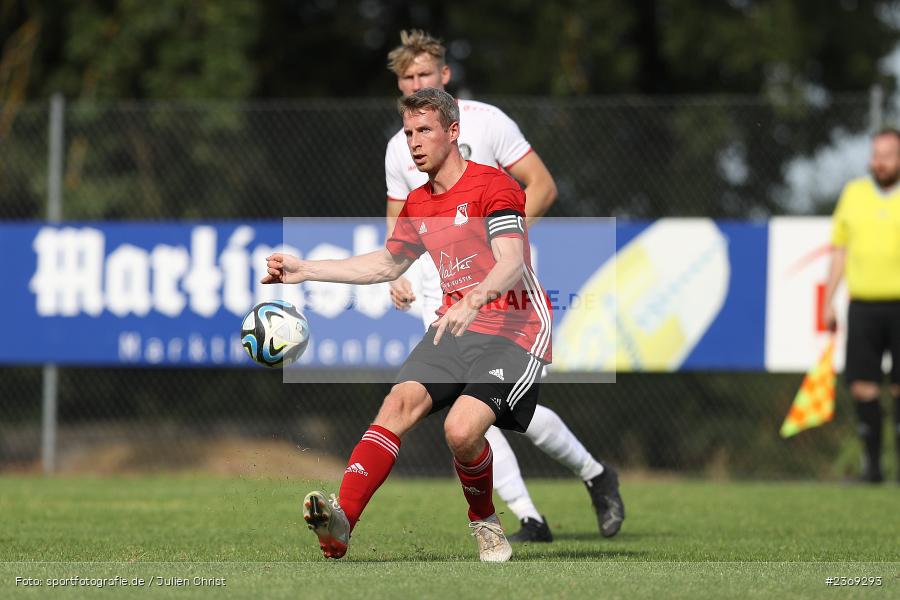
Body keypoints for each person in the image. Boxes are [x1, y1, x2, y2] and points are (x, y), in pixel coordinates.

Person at [264, 88, 554, 561]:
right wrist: (306, 269)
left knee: (461, 431)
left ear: (453, 132)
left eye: (424, 131)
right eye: (408, 133)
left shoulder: (493, 185)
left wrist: (473, 300)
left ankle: (484, 520)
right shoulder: (419, 203)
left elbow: (511, 261)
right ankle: (341, 523)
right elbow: (387, 263)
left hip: (514, 331)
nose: (414, 142)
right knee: (397, 404)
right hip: (455, 327)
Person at [383, 30, 623, 541]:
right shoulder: (399, 146)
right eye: (407, 77)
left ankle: (594, 475)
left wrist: (500, 243)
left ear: (445, 75)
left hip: (499, 288)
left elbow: (542, 185)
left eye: (425, 74)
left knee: (500, 410)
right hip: (440, 291)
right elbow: (397, 220)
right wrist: (398, 271)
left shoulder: (487, 121)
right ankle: (531, 516)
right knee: (471, 415)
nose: (417, 83)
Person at [824, 126, 900, 484]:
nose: (879, 162)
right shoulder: (853, 194)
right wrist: (829, 300)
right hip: (863, 306)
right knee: (862, 386)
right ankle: (872, 469)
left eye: (888, 155)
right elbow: (839, 250)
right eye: (876, 155)